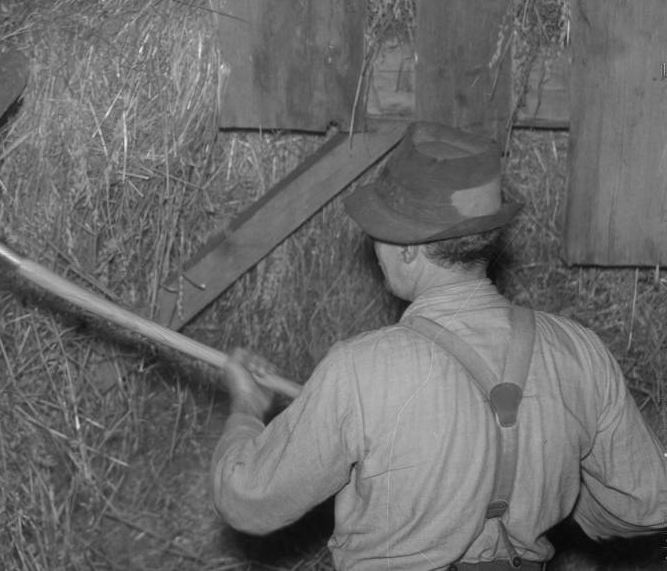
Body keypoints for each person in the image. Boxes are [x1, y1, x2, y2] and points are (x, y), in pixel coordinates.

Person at [212, 122, 667, 570]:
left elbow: (247, 499)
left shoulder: (359, 369)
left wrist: (247, 408)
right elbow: (645, 505)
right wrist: (558, 475)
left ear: (408, 248)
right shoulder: (580, 352)